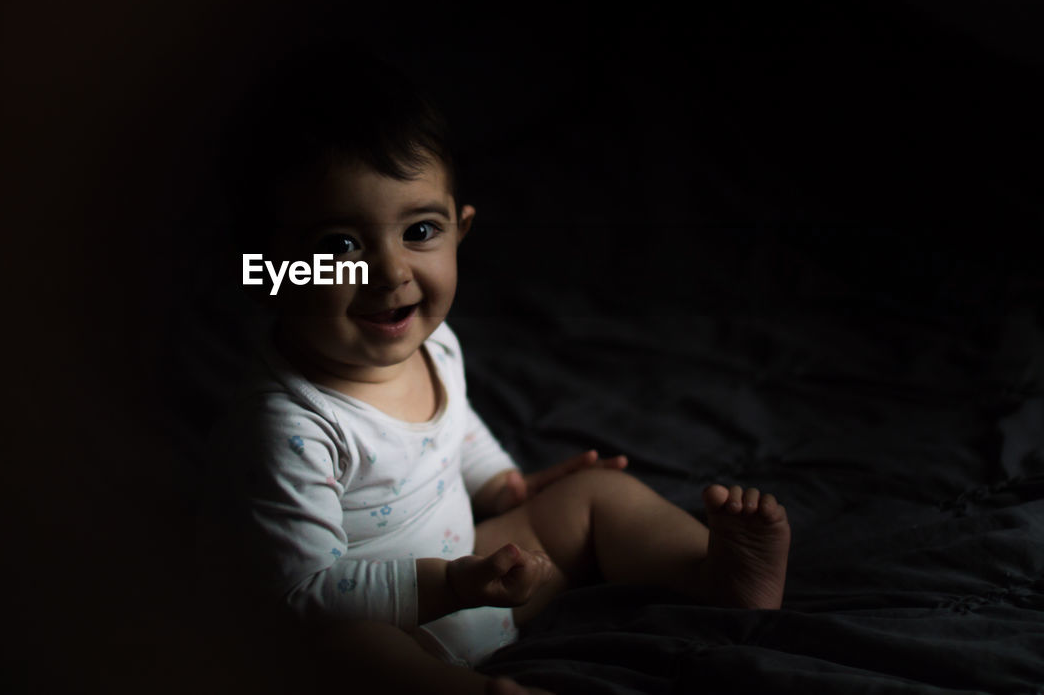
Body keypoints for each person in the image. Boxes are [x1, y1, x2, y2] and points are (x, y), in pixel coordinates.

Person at [210, 46, 791, 695]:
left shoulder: (430, 340)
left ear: (460, 229)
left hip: (487, 578)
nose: (392, 272)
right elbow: (303, 593)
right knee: (333, 649)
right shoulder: (287, 421)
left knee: (595, 494)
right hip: (393, 623)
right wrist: (451, 583)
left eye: (420, 231)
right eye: (339, 245)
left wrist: (505, 488)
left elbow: (454, 427)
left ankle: (714, 573)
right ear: (267, 269)